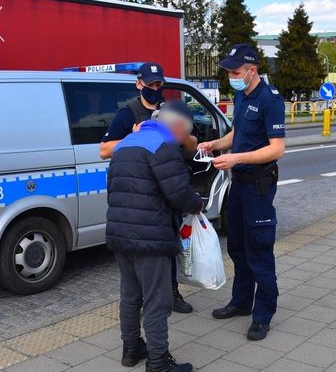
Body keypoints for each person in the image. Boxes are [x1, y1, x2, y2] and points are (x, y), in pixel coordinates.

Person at [106, 101, 205, 372]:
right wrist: (197, 203)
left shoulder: (125, 143)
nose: (186, 140)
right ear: (177, 126)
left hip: (119, 232)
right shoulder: (165, 146)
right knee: (156, 300)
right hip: (150, 235)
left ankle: (131, 349)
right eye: (186, 134)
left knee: (130, 295)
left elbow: (114, 187)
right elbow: (178, 193)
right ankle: (159, 362)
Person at [198, 43, 285, 341]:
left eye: (235, 71)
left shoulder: (270, 99)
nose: (231, 76)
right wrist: (216, 145)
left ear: (252, 70)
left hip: (259, 186)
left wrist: (236, 158)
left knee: (259, 249)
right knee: (236, 245)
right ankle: (241, 302)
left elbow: (277, 148)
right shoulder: (241, 93)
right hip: (239, 184)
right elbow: (239, 133)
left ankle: (263, 314)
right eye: (229, 71)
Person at [100, 62, 196, 314]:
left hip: (168, 186)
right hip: (142, 192)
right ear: (138, 84)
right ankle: (149, 300)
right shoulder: (128, 113)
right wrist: (134, 135)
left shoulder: (171, 109)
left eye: (158, 84)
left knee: (170, 243)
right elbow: (104, 150)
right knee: (145, 254)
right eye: (150, 84)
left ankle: (172, 292)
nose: (155, 88)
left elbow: (192, 144)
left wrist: (184, 136)